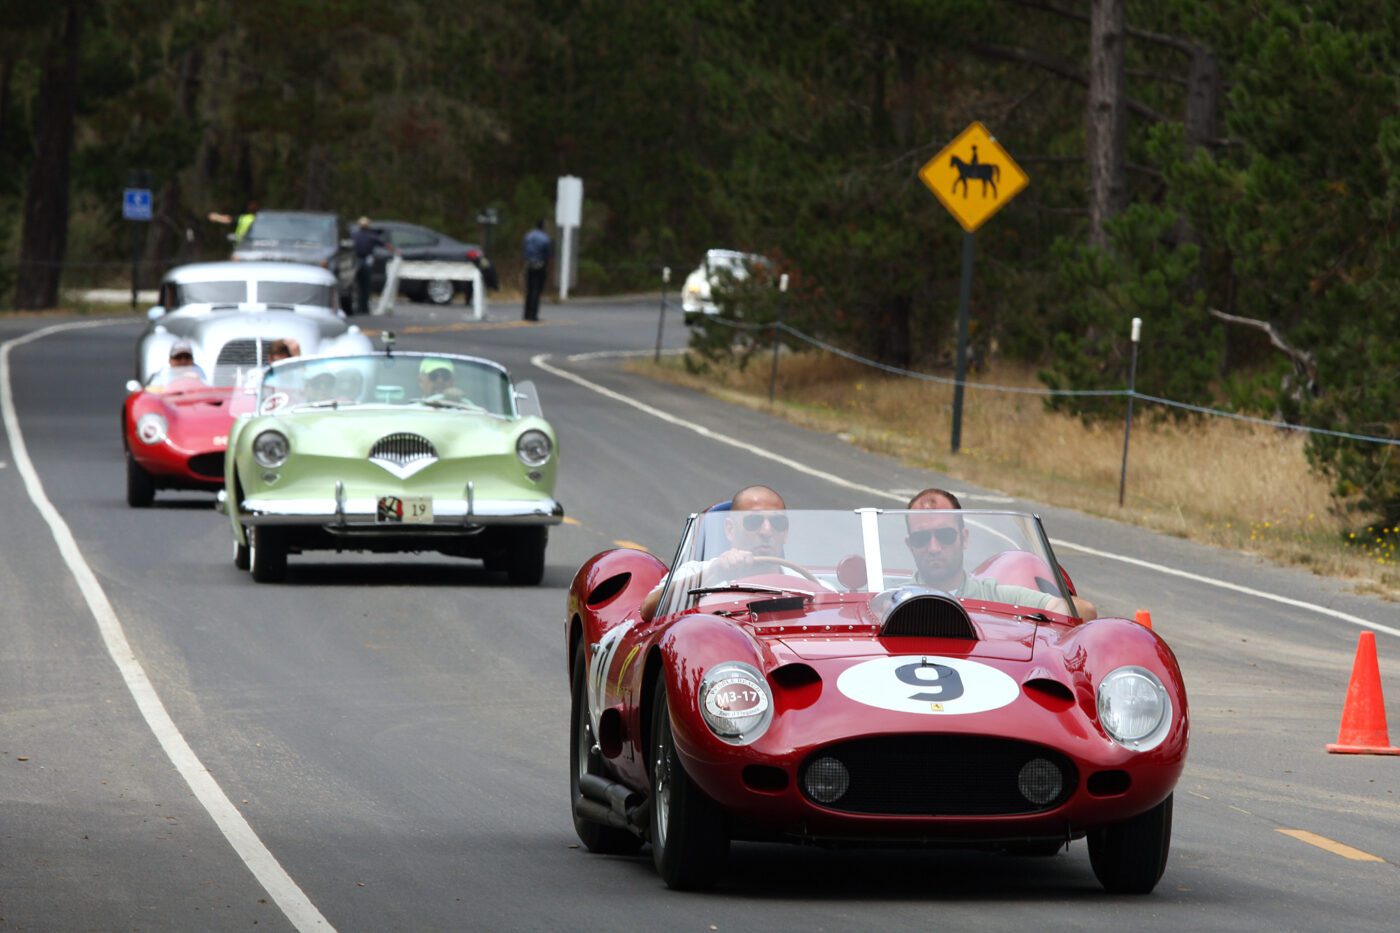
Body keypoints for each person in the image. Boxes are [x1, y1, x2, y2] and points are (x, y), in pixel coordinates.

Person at [904, 487, 1097, 619]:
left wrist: (1039, 621)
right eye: (921, 539)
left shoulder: (998, 597)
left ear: (964, 538)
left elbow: (1085, 610)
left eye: (945, 535)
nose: (934, 548)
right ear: (910, 545)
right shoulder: (890, 602)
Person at [640, 484, 791, 620]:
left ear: (785, 533)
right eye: (754, 522)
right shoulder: (696, 571)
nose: (766, 531)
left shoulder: (805, 581)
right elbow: (648, 611)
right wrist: (716, 572)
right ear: (730, 529)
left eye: (778, 523)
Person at [351, 216, 398, 316]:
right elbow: (386, 245)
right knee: (366, 286)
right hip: (366, 261)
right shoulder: (371, 236)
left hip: (355, 261)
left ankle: (358, 307)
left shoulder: (354, 235)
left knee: (357, 285)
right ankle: (364, 308)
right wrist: (396, 251)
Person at [521, 219, 551, 322]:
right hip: (540, 265)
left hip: (529, 264)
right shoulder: (545, 238)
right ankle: (533, 314)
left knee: (529, 290)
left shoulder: (528, 236)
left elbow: (524, 249)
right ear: (543, 226)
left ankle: (526, 313)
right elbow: (547, 254)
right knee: (537, 290)